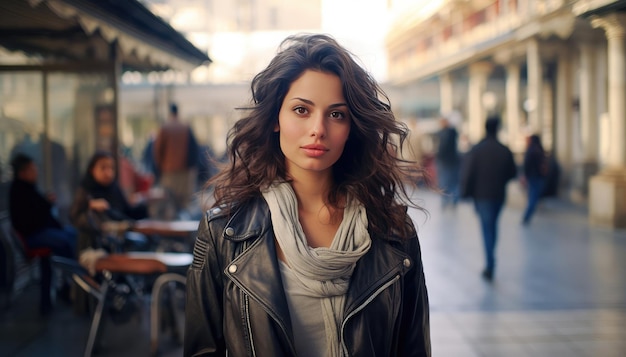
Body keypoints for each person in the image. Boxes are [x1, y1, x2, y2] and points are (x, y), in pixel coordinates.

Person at [184, 34, 431, 357]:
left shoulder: (394, 232)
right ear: (276, 118)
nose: (318, 129)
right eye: (301, 110)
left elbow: (413, 349)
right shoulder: (225, 234)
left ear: (351, 127)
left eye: (337, 114)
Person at [459, 115, 517, 282]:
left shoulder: (477, 150)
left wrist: (466, 193)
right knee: (492, 226)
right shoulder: (504, 150)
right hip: (498, 194)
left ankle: (490, 263)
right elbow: (512, 173)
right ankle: (491, 260)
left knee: (487, 228)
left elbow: (468, 173)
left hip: (481, 195)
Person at [69, 151, 149, 254]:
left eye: (111, 168)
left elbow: (126, 213)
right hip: (94, 248)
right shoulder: (86, 191)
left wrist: (145, 205)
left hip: (120, 243)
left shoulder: (114, 188)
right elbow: (74, 217)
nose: (108, 173)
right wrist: (89, 205)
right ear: (92, 169)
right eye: (103, 168)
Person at [8, 153, 76, 259]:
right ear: (22, 173)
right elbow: (32, 218)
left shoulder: (27, 188)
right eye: (32, 169)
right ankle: (72, 271)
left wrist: (45, 201)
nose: (36, 172)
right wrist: (47, 203)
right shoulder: (20, 191)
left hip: (41, 230)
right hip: (33, 235)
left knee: (74, 234)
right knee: (67, 240)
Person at [153, 103, 200, 217]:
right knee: (184, 201)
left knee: (170, 199)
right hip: (185, 170)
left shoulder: (165, 127)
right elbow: (194, 148)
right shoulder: (185, 126)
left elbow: (158, 150)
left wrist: (159, 167)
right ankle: (183, 224)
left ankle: (173, 224)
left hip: (169, 170)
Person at [434, 114, 461, 208]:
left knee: (445, 181)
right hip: (451, 161)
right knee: (452, 181)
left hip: (445, 161)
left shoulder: (444, 133)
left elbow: (442, 148)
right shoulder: (453, 132)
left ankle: (447, 199)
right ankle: (453, 198)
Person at [521, 134, 547, 225]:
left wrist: (526, 176)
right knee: (533, 196)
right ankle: (527, 215)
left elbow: (527, 165)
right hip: (537, 177)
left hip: (533, 177)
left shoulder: (531, 150)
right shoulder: (539, 150)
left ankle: (527, 216)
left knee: (533, 196)